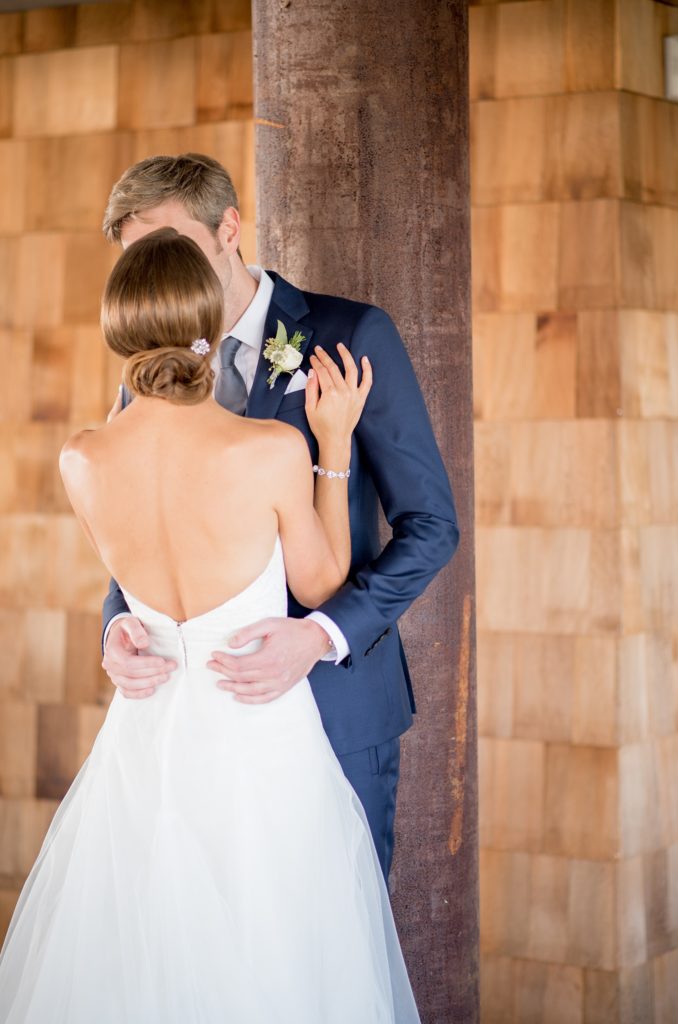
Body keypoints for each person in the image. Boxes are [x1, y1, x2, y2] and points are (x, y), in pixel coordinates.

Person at [0, 228, 420, 1023]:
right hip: (260, 739)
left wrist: (120, 630)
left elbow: (127, 586)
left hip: (145, 738)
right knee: (277, 964)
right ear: (207, 326)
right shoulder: (269, 449)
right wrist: (332, 448)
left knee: (141, 962)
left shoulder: (81, 459)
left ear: (118, 328)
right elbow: (323, 581)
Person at [100, 154, 459, 880]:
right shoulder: (145, 369)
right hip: (194, 716)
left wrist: (321, 637)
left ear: (229, 228)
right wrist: (117, 623)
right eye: (142, 258)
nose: (160, 270)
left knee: (327, 964)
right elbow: (141, 524)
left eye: (170, 246)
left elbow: (431, 526)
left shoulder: (349, 333)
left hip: (333, 707)